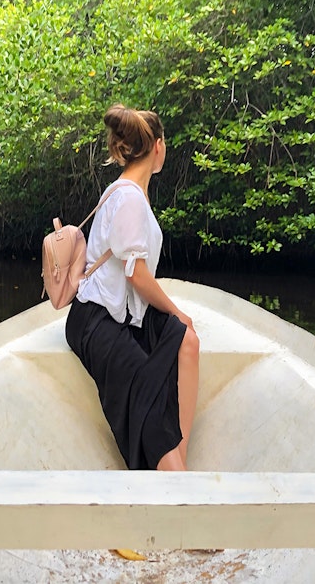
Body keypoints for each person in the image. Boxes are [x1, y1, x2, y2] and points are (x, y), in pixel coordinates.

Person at [65, 104, 200, 471]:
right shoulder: (129, 199)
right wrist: (176, 310)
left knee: (187, 340)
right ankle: (172, 468)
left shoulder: (125, 192)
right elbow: (135, 274)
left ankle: (178, 459)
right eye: (165, 142)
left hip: (122, 313)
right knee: (147, 388)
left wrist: (176, 320)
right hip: (95, 321)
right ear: (157, 146)